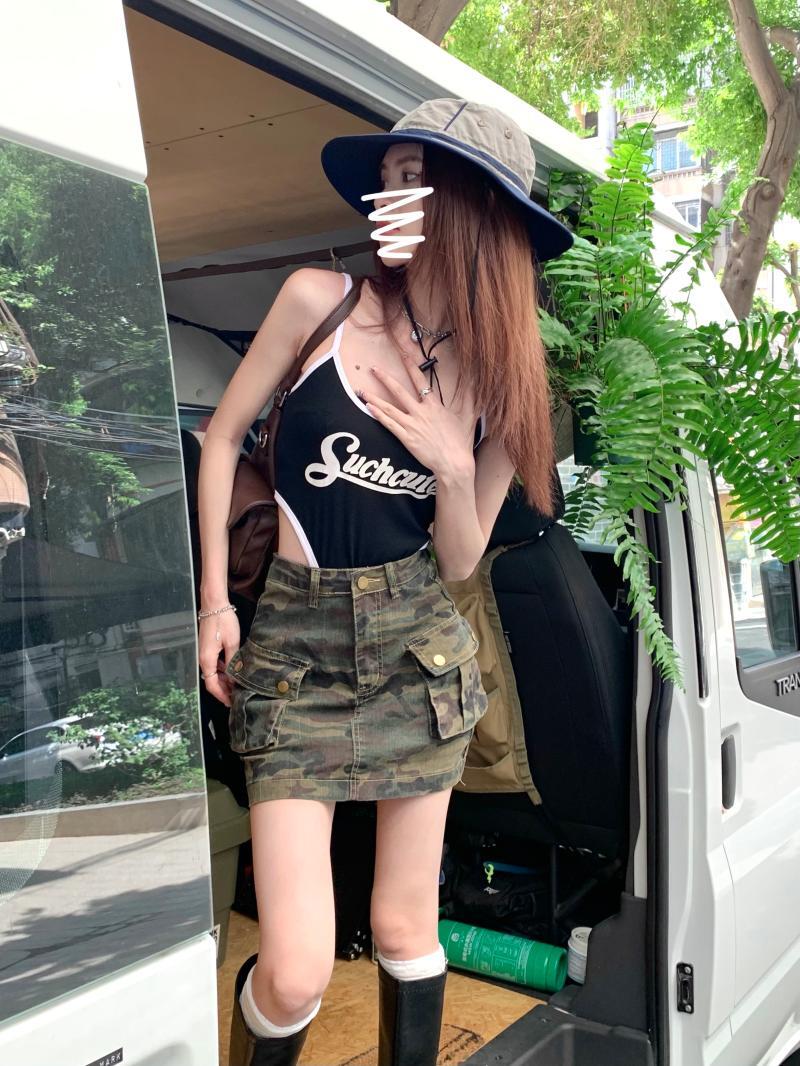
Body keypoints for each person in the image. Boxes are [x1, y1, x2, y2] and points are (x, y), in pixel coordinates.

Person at [196, 98, 573, 1066]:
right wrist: (214, 603)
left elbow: (458, 560)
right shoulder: (318, 301)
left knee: (406, 929)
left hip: (417, 652)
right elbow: (222, 439)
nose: (389, 194)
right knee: (295, 971)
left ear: (473, 209)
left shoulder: (502, 379)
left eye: (415, 176)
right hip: (292, 648)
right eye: (389, 175)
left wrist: (451, 463)